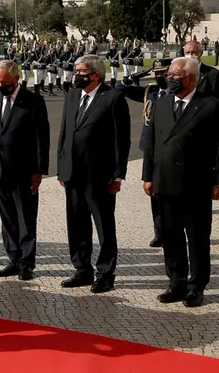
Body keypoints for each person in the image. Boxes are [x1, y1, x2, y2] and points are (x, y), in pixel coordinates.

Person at [141, 57, 219, 308]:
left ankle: (196, 285)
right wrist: (148, 176)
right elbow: (151, 145)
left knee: (197, 237)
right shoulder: (161, 103)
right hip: (165, 180)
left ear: (191, 78)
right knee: (170, 234)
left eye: (175, 76)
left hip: (196, 183)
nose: (170, 79)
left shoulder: (209, 105)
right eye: (169, 75)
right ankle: (176, 281)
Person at [57, 55, 131, 294]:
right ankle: (82, 269)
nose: (77, 75)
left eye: (82, 71)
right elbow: (65, 133)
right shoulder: (71, 96)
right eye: (76, 70)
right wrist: (62, 166)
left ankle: (106, 273)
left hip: (100, 175)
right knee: (76, 222)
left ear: (96, 74)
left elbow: (122, 140)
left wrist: (118, 175)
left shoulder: (113, 98)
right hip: (73, 173)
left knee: (103, 225)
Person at [0, 60, 49, 281]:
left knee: (26, 218)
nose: (1, 85)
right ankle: (13, 258)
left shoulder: (32, 101)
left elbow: (42, 137)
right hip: (1, 171)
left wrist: (39, 170)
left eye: (6, 82)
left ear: (16, 79)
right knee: (8, 218)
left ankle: (26, 263)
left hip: (25, 171)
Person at [116, 59, 172, 248]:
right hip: (151, 147)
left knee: (171, 193)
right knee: (154, 192)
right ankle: (160, 233)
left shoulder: (177, 92)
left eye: (162, 73)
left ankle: (174, 229)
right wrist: (130, 78)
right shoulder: (151, 91)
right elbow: (120, 90)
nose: (159, 77)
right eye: (156, 74)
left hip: (170, 148)